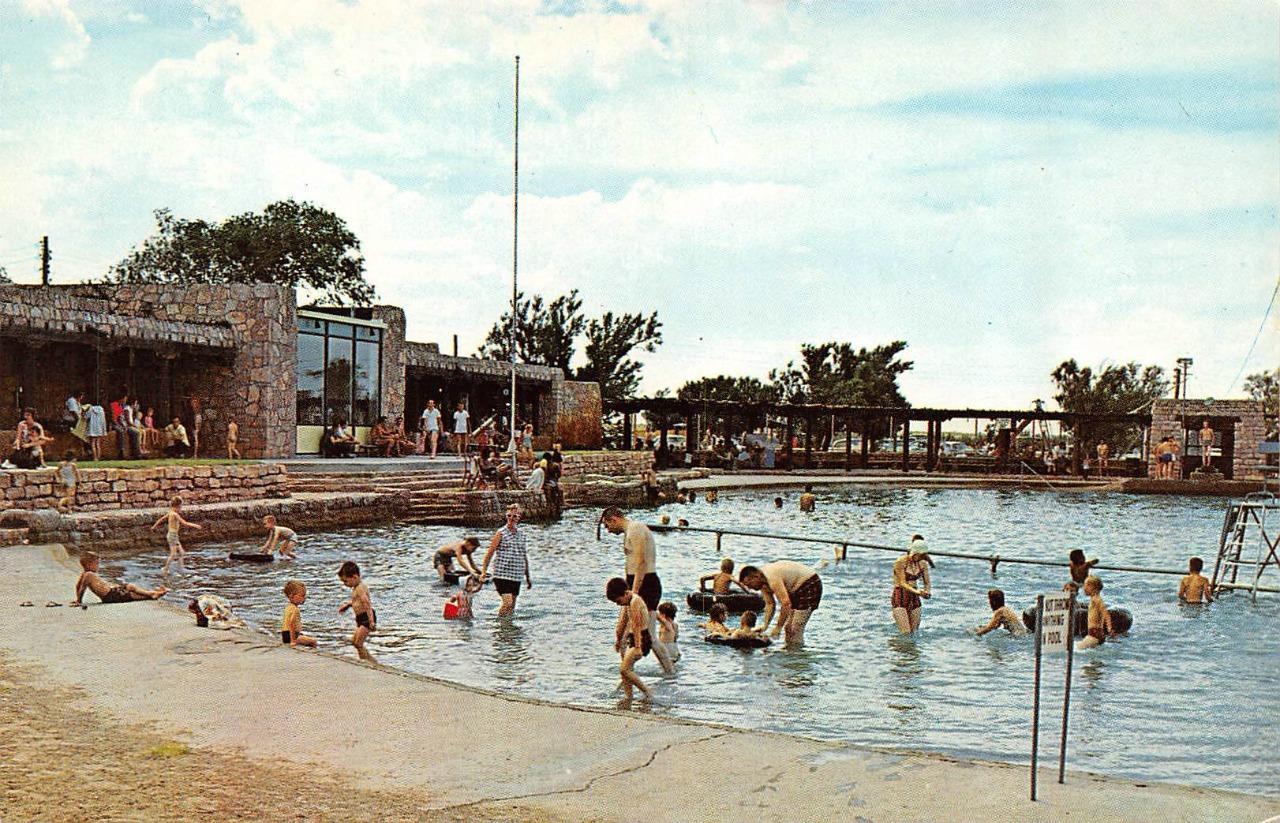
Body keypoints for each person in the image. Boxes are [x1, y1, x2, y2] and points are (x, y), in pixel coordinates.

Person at [601, 506, 674, 672]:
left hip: (645, 584)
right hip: (634, 583)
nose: (608, 530)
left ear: (614, 519)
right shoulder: (630, 532)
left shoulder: (635, 529)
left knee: (650, 635)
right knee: (622, 631)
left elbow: (641, 563)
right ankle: (627, 673)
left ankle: (670, 674)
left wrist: (634, 593)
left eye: (607, 525)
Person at [738, 560, 823, 646]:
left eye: (749, 584)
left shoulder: (771, 578)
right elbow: (770, 604)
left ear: (756, 577)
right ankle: (790, 651)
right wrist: (765, 626)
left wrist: (778, 627)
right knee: (788, 628)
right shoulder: (762, 583)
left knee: (795, 629)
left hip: (809, 583)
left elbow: (786, 604)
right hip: (794, 589)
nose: (750, 588)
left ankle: (797, 653)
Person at [606, 577, 654, 702]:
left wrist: (638, 647)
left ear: (625, 593)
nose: (618, 604)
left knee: (624, 669)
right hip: (633, 638)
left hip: (642, 639)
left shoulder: (635, 601)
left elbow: (636, 625)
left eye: (618, 601)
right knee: (625, 672)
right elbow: (622, 624)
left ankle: (648, 692)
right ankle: (628, 697)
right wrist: (618, 641)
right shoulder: (628, 602)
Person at [480, 503, 532, 616]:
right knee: (508, 603)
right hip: (501, 573)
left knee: (512, 606)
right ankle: (498, 623)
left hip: (516, 575)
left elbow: (523, 556)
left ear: (519, 518)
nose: (511, 519)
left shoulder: (522, 535)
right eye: (509, 516)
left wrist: (528, 577)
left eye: (514, 516)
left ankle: (507, 626)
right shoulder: (501, 533)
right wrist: (483, 571)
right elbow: (490, 553)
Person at [74, 551, 168, 605]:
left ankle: (152, 593)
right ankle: (152, 595)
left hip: (112, 592)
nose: (98, 566)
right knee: (131, 595)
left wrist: (78, 599)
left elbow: (77, 586)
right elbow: (82, 588)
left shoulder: (85, 574)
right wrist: (79, 601)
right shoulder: (89, 575)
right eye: (97, 564)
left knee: (130, 586)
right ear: (89, 564)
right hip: (110, 597)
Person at [151, 496, 202, 575]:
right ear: (178, 506)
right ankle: (165, 569)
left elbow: (161, 519)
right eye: (181, 507)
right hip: (173, 536)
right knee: (173, 554)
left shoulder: (170, 512)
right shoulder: (175, 514)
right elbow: (184, 523)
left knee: (181, 553)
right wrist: (195, 525)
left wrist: (154, 526)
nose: (181, 508)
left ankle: (180, 568)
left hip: (173, 535)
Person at [337, 560, 376, 660]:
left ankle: (368, 662)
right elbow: (356, 602)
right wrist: (347, 606)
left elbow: (367, 604)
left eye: (346, 581)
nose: (345, 584)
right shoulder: (356, 588)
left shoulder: (360, 588)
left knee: (358, 643)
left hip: (366, 617)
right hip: (360, 618)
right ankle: (368, 660)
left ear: (354, 577)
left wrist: (371, 621)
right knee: (355, 641)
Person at [889, 547, 933, 635]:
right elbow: (902, 583)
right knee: (906, 632)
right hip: (900, 595)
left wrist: (927, 592)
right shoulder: (900, 562)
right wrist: (918, 592)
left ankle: (911, 645)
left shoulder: (923, 564)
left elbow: (927, 582)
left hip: (914, 597)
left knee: (914, 632)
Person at [1076, 575, 1114, 650]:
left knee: (1076, 649)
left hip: (1094, 634)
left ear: (1094, 588)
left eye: (1087, 586)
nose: (1084, 588)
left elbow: (1106, 614)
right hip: (1096, 633)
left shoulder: (1097, 599)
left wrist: (1110, 629)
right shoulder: (1094, 599)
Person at [281, 580, 317, 647]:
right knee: (313, 641)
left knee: (305, 638)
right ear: (292, 596)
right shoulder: (295, 609)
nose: (304, 598)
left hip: (286, 634)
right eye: (302, 596)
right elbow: (291, 623)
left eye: (304, 596)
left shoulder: (288, 607)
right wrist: (293, 640)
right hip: (291, 636)